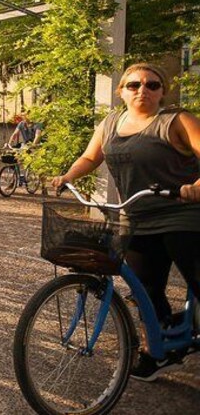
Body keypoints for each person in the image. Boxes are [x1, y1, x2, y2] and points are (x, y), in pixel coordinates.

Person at [51, 63, 200, 381]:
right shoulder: (110, 123)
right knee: (146, 290)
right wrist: (67, 175)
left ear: (163, 91)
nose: (142, 90)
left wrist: (197, 187)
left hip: (181, 214)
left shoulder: (175, 121)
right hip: (136, 217)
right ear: (121, 91)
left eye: (152, 85)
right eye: (133, 85)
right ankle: (156, 352)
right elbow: (91, 158)